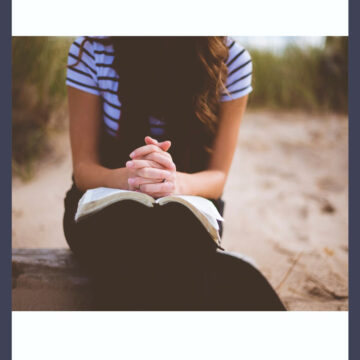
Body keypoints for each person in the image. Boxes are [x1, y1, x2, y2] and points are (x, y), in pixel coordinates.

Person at [63, 36, 286, 310]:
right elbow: (84, 170)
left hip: (189, 206)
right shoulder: (94, 49)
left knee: (176, 232)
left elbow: (217, 177)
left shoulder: (232, 61)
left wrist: (174, 183)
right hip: (102, 202)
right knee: (131, 233)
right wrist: (132, 178)